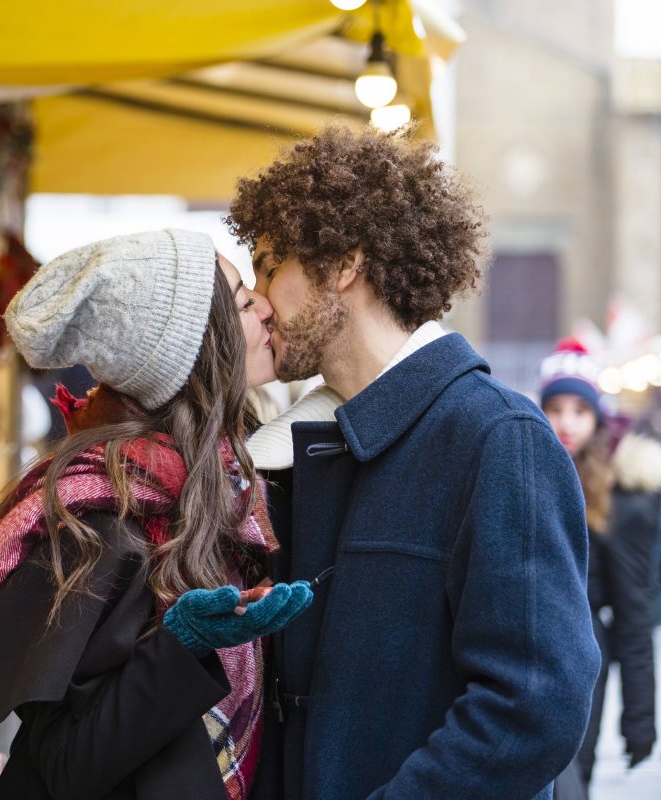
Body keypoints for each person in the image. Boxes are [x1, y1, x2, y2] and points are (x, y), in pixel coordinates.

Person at [226, 124, 601, 799]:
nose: (257, 296)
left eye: (269, 265)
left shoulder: (500, 438)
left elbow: (533, 707)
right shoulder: (298, 445)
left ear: (342, 265)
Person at [0, 229, 313, 800]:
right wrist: (182, 642)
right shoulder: (102, 512)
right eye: (240, 300)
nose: (263, 305)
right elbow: (67, 762)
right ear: (198, 348)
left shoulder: (213, 483)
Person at [538, 339, 661, 785]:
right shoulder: (522, 470)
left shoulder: (622, 499)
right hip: (518, 654)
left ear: (597, 416)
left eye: (579, 410)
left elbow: (634, 612)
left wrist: (639, 718)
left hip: (581, 661)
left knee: (570, 781)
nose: (566, 423)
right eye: (555, 408)